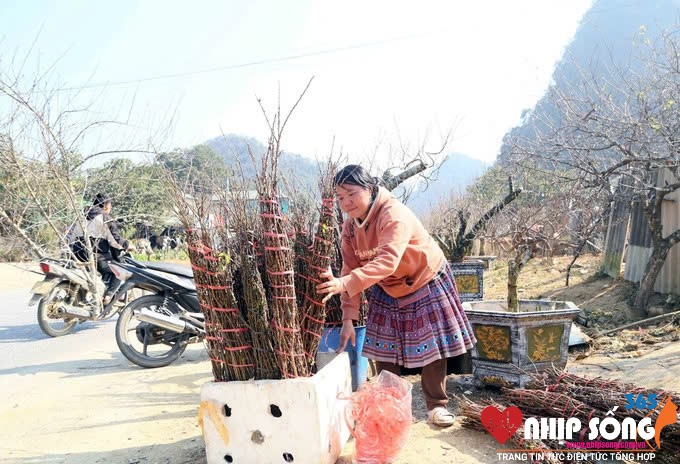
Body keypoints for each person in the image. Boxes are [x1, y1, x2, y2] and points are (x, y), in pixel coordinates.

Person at [317, 164, 477, 427]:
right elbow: (350, 269)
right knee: (383, 349)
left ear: (368, 189)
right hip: (385, 284)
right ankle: (389, 409)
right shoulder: (349, 229)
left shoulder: (393, 213)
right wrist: (348, 318)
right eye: (340, 197)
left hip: (425, 277)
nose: (346, 203)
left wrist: (345, 282)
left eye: (351, 194)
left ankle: (436, 406)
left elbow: (388, 260)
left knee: (432, 347)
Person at [82, 194, 131, 305]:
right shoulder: (104, 217)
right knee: (119, 271)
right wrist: (127, 245)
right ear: (105, 205)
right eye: (110, 205)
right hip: (96, 255)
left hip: (79, 253)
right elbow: (115, 238)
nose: (111, 207)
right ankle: (108, 296)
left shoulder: (82, 215)